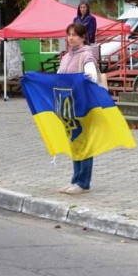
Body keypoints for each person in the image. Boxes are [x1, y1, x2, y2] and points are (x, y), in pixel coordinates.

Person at [58, 22, 99, 195]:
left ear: (83, 37)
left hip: (82, 106)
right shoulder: (67, 57)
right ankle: (75, 179)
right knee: (75, 143)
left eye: (75, 35)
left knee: (84, 144)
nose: (71, 38)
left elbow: (93, 78)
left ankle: (83, 182)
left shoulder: (87, 55)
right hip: (68, 106)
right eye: (69, 35)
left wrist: (85, 79)